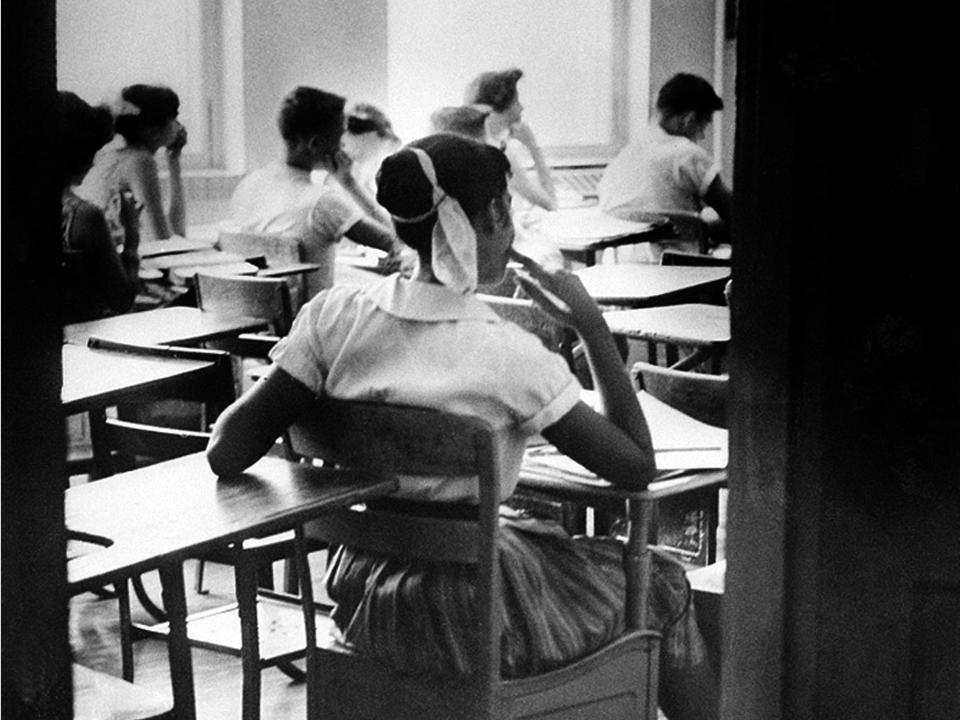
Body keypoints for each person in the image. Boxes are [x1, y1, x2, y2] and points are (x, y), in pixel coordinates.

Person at [207, 133, 718, 720]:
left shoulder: (331, 317)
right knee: (666, 582)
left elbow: (227, 450)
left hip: (362, 596)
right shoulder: (508, 353)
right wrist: (593, 330)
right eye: (505, 210)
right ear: (497, 213)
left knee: (537, 541)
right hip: (475, 614)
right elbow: (635, 467)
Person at [226, 86, 414, 300]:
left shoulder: (249, 184)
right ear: (316, 144)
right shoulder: (323, 201)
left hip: (263, 318)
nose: (343, 143)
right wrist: (350, 184)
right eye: (340, 135)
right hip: (315, 320)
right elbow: (398, 241)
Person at [597, 73, 732, 263]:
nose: (702, 136)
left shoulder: (624, 156)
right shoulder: (688, 154)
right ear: (690, 119)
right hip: (672, 271)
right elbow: (735, 214)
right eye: (704, 124)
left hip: (617, 269)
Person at [431, 104, 564, 276]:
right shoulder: (486, 177)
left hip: (480, 270)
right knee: (552, 259)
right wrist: (532, 146)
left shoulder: (434, 180)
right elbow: (549, 204)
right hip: (501, 270)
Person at [60, 90, 141, 322]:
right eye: (93, 151)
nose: (94, 161)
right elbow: (122, 301)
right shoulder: (84, 216)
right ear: (78, 154)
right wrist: (132, 237)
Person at [77, 84, 187, 242]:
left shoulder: (117, 155)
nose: (179, 126)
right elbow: (162, 241)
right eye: (174, 118)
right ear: (154, 131)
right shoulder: (140, 161)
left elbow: (175, 235)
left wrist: (174, 161)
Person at [465, 68, 558, 212]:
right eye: (516, 101)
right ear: (502, 107)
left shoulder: (471, 141)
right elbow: (550, 204)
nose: (521, 107)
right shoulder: (498, 154)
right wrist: (533, 147)